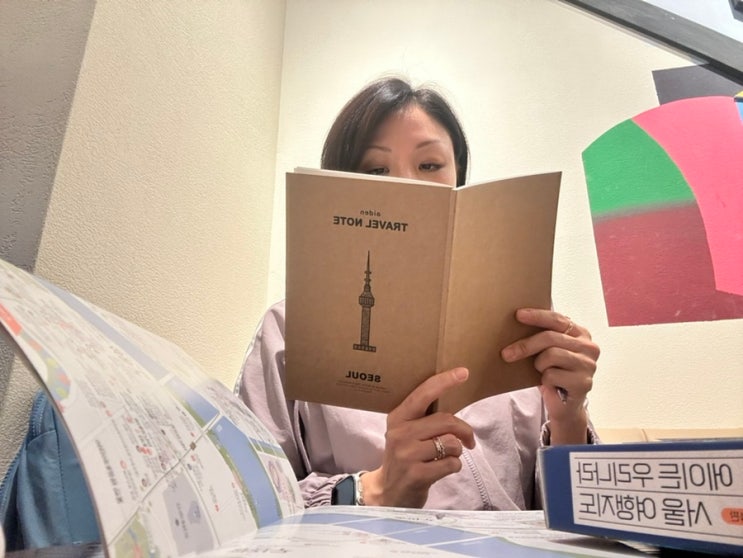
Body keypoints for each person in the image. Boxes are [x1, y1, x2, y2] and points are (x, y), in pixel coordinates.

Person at [237, 77, 600, 511]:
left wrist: (569, 417)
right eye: (376, 171)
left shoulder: (519, 322)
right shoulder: (290, 330)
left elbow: (569, 514)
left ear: (459, 175)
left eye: (430, 165)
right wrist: (373, 490)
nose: (408, 186)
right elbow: (245, 499)